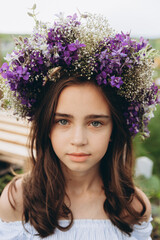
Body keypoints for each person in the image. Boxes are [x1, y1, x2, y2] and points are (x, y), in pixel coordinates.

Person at [0, 9, 159, 240]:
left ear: (114, 128)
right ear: (46, 127)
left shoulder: (132, 206)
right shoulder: (18, 200)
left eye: (95, 123)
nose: (78, 139)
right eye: (63, 121)